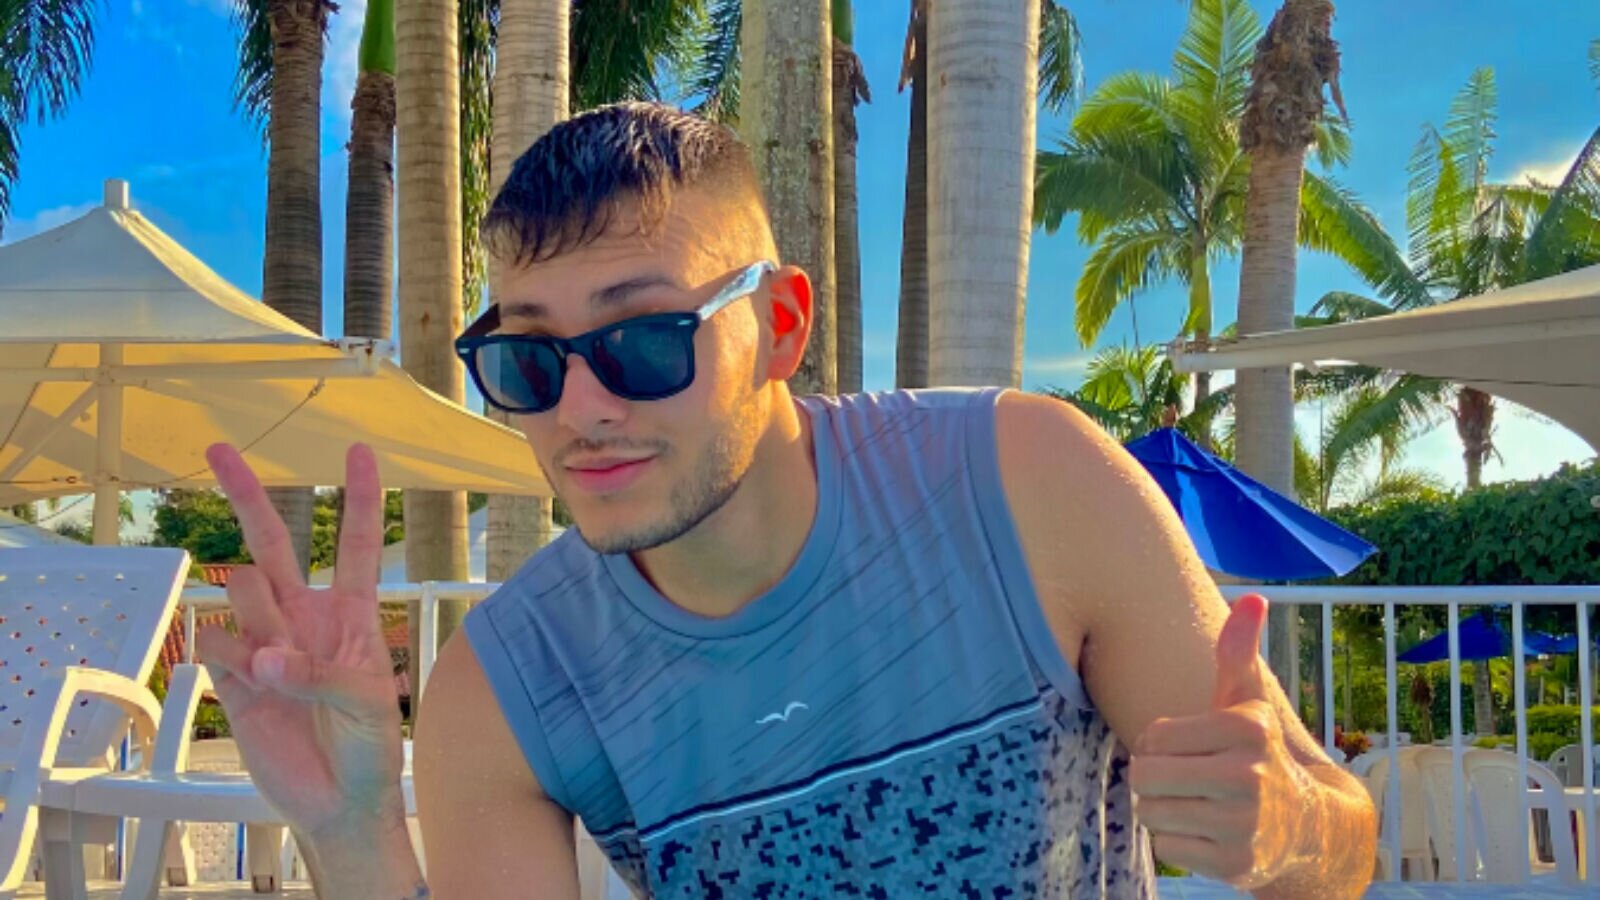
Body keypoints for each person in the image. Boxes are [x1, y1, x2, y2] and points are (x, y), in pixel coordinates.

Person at [198, 102, 1376, 899]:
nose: (580, 409)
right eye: (528, 359)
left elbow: (1339, 842)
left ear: (781, 327)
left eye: (643, 340)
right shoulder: (508, 688)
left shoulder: (1025, 486)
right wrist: (350, 834)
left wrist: (1289, 828)